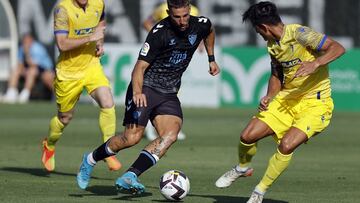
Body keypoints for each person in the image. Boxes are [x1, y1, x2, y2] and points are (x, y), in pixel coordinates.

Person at [76, 0, 220, 193]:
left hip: (169, 93)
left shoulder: (200, 23)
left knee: (170, 135)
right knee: (131, 138)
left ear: (189, 11)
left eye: (185, 15)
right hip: (146, 88)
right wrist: (137, 92)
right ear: (168, 13)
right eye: (177, 17)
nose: (182, 21)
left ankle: (131, 175)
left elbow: (209, 31)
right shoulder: (159, 33)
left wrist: (211, 58)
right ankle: (90, 159)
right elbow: (139, 68)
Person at [214, 2, 345, 203]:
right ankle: (241, 168)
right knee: (247, 136)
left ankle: (259, 191)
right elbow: (276, 75)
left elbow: (337, 47)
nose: (258, 34)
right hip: (287, 99)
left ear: (263, 27)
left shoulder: (300, 34)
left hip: (315, 103)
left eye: (257, 30)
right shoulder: (272, 45)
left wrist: (316, 63)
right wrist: (269, 96)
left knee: (286, 145)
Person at [41, 0, 121, 172]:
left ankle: (109, 150)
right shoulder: (63, 10)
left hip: (91, 66)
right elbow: (61, 44)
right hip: (68, 73)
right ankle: (49, 145)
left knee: (108, 103)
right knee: (65, 118)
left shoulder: (98, 3)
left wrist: (99, 42)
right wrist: (90, 37)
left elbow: (101, 21)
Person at [142, 0, 200, 141]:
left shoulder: (195, 11)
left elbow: (198, 29)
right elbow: (146, 22)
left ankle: (173, 127)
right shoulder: (162, 9)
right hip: (160, 55)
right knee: (152, 92)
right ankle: (149, 129)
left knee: (173, 91)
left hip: (178, 54)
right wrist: (157, 39)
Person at [2, 34, 54, 104]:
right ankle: (11, 93)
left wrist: (27, 53)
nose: (25, 43)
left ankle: (25, 95)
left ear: (31, 40)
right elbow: (20, 64)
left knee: (31, 71)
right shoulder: (22, 48)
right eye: (24, 41)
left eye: (27, 41)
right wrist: (22, 70)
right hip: (32, 70)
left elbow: (34, 65)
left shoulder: (37, 48)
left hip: (44, 70)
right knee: (15, 70)